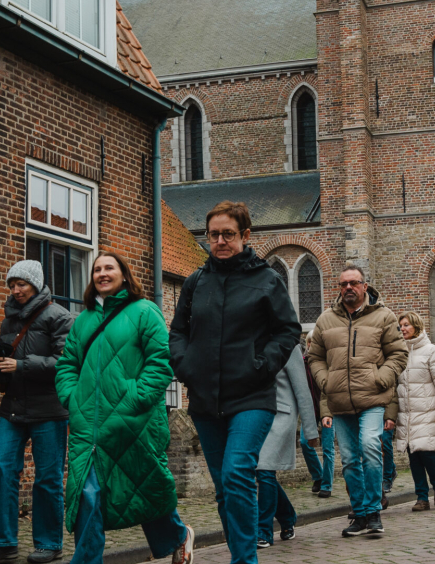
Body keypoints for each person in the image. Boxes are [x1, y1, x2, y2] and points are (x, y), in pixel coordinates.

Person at [169, 201, 300, 564]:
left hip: (252, 396)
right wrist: (185, 365)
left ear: (245, 235)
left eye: (228, 234)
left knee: (237, 472)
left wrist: (262, 364)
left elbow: (288, 330)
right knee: (224, 488)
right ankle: (240, 553)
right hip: (205, 400)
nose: (220, 241)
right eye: (214, 235)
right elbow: (178, 331)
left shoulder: (267, 280)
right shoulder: (196, 281)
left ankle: (244, 560)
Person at [55, 252, 194, 564]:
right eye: (97, 269)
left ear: (124, 274)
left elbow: (160, 361)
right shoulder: (83, 320)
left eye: (109, 268)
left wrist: (135, 398)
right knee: (87, 494)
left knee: (143, 487)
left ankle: (178, 535)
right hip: (89, 426)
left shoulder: (145, 311)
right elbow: (67, 365)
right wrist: (72, 399)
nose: (102, 273)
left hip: (135, 421)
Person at [0, 261, 74, 564]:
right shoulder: (8, 321)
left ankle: (49, 544)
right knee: (2, 470)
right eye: (12, 285)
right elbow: (6, 366)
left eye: (22, 284)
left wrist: (21, 365)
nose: (16, 290)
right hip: (13, 409)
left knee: (47, 479)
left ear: (36, 284)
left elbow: (66, 362)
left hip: (50, 410)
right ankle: (4, 543)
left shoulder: (59, 316)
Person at [309, 265, 408, 538]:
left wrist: (381, 378)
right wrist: (326, 382)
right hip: (340, 402)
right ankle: (360, 513)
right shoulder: (326, 320)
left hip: (373, 398)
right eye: (344, 284)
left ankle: (374, 511)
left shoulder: (383, 316)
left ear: (365, 286)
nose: (348, 288)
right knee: (350, 460)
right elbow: (315, 357)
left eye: (354, 283)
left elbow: (399, 354)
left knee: (370, 447)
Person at [256, 345, 319, 548]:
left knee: (265, 470)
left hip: (280, 415)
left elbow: (302, 389)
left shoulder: (288, 345)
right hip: (254, 415)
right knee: (261, 471)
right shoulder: (247, 340)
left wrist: (310, 430)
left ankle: (263, 531)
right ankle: (288, 516)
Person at [395, 311, 435, 512]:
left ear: (416, 326)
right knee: (413, 456)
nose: (403, 328)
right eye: (401, 325)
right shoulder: (399, 351)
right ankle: (421, 497)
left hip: (426, 410)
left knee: (426, 452)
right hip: (407, 412)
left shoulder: (430, 350)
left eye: (406, 325)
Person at [300, 331, 336, 499]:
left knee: (328, 448)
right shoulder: (302, 363)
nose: (311, 345)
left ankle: (327, 485)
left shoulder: (329, 363)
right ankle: (318, 476)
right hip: (310, 410)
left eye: (315, 342)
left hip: (328, 409)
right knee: (304, 442)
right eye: (309, 342)